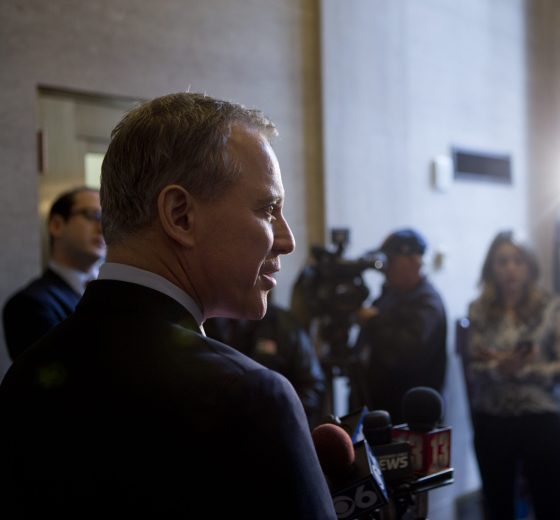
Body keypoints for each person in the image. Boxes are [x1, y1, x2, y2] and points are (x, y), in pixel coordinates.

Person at [0, 93, 335, 518]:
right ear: (180, 215)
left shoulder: (23, 378)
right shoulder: (248, 395)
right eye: (268, 209)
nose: (286, 240)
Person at [465, 232, 560, 520]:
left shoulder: (550, 307)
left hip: (539, 414)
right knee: (497, 504)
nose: (510, 269)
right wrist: (499, 368)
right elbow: (474, 364)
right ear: (491, 267)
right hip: (493, 415)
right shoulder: (479, 309)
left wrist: (525, 369)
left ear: (530, 266)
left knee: (549, 503)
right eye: (502, 261)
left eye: (517, 261)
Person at [354, 228, 447, 424]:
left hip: (411, 416)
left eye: (391, 259)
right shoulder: (391, 295)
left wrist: (374, 321)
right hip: (381, 407)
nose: (385, 268)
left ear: (414, 261)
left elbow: (409, 352)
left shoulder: (427, 303)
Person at [3, 187, 105, 359]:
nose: (103, 228)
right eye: (92, 215)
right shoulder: (29, 305)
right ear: (56, 225)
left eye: (107, 220)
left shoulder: (116, 292)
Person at [206, 302, 327, 428]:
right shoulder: (204, 321)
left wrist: (286, 419)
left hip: (277, 428)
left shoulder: (284, 325)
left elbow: (312, 384)